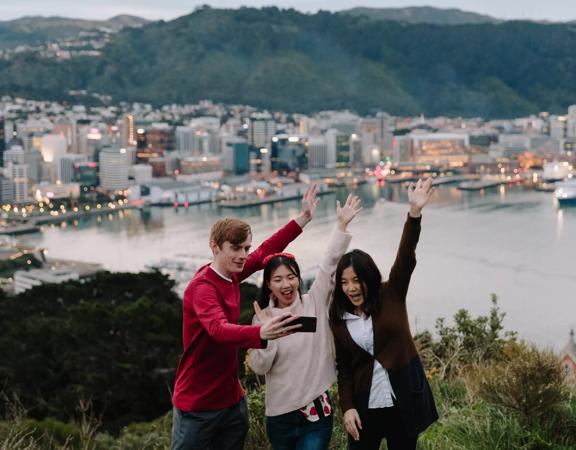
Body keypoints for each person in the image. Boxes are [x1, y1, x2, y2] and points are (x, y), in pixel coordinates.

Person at [171, 185, 321, 450]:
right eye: (235, 248)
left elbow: (266, 250)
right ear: (214, 247)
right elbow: (218, 329)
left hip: (231, 401)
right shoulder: (202, 288)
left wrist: (303, 218)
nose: (243, 255)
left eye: (245, 248)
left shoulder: (232, 274)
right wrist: (260, 333)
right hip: (197, 406)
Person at [329, 178, 438, 450]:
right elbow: (344, 368)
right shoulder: (339, 317)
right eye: (344, 282)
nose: (351, 288)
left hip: (403, 401)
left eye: (356, 280)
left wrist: (414, 213)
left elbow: (406, 255)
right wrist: (347, 408)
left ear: (369, 277)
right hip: (365, 408)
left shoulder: (392, 293)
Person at [247, 194, 363, 450]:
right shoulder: (261, 318)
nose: (286, 284)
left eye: (291, 277)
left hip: (316, 410)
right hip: (279, 416)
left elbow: (329, 265)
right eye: (278, 280)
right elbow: (259, 367)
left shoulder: (314, 302)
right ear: (268, 285)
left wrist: (341, 226)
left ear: (299, 279)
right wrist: (266, 336)